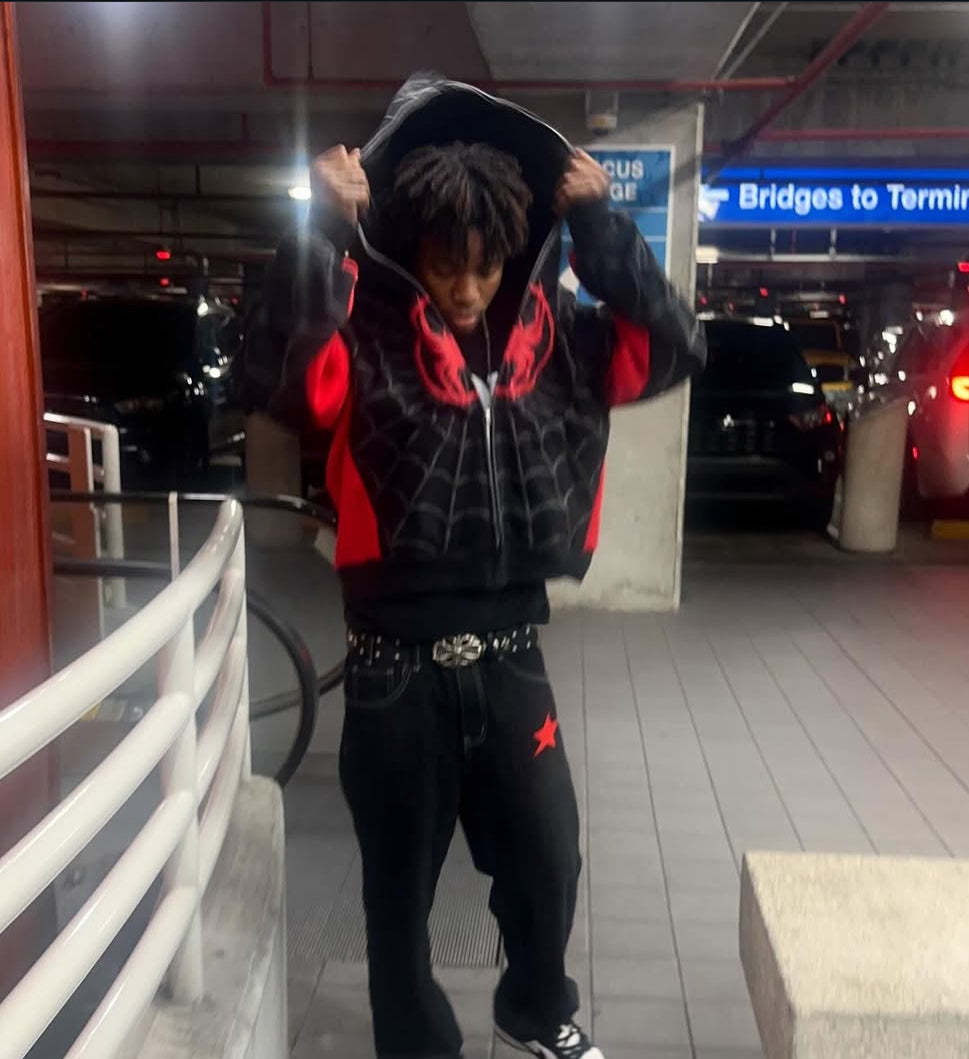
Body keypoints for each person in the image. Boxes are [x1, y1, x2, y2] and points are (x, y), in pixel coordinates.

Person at [265, 76, 706, 1059]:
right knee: (396, 899)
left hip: (512, 661)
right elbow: (286, 377)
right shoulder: (365, 344)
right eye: (444, 266)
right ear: (410, 251)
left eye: (485, 266)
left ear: (513, 252)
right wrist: (321, 231)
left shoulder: (562, 348)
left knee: (550, 861)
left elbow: (674, 344)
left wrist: (600, 228)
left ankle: (535, 1011)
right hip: (393, 673)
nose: (465, 289)